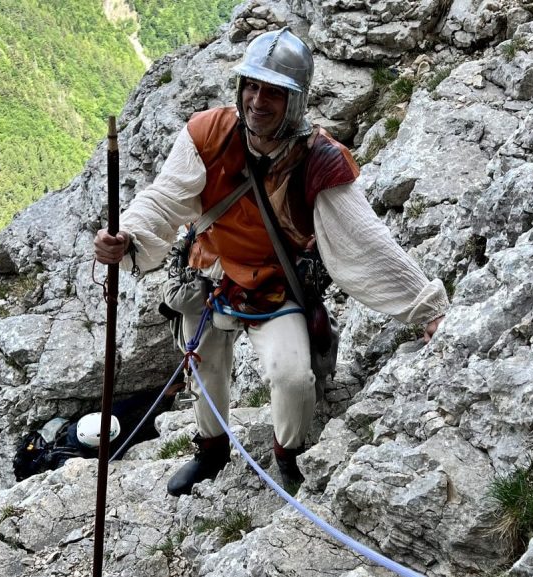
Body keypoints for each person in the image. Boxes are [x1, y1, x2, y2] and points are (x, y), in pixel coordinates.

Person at [94, 28, 448, 497]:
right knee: (204, 368)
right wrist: (128, 236)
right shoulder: (207, 135)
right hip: (211, 275)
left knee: (292, 378)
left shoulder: (320, 161)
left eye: (274, 92)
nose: (258, 101)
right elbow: (164, 200)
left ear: (295, 101)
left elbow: (366, 243)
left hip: (275, 285)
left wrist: (427, 309)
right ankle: (211, 450)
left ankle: (290, 454)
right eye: (251, 87)